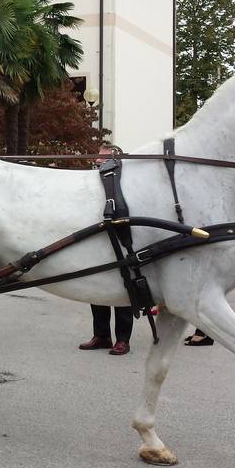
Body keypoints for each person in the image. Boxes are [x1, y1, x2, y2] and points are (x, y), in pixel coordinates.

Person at [78, 142, 134, 355]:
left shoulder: (122, 181)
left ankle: (122, 340)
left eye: (104, 158)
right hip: (97, 239)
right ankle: (101, 335)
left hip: (120, 240)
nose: (98, 160)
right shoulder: (92, 180)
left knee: (122, 290)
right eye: (98, 157)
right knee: (98, 289)